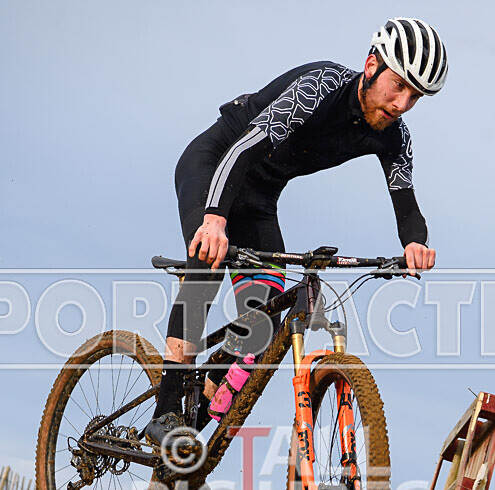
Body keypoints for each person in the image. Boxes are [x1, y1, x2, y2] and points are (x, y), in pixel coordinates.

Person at [145, 16, 448, 448]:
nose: (401, 103)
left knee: (264, 318)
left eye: (414, 96)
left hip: (260, 196)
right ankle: (166, 409)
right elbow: (243, 150)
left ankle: (199, 411)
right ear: (371, 65)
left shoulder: (395, 136)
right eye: (397, 85)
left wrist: (415, 244)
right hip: (216, 165)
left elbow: (407, 204)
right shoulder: (320, 86)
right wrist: (214, 217)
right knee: (208, 260)